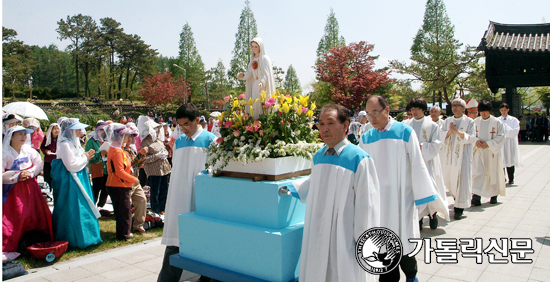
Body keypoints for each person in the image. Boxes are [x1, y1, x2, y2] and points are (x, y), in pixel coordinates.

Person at [287, 104, 380, 282]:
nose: (324, 129)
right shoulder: (318, 156)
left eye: (330, 123)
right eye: (321, 124)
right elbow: (313, 185)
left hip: (344, 237)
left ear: (345, 125)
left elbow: (367, 206)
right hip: (319, 232)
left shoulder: (359, 159)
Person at [359, 95, 439, 282]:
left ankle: (411, 276)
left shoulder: (405, 132)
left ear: (387, 110)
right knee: (383, 245)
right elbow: (362, 168)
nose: (372, 118)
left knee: (404, 240)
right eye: (369, 114)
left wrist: (420, 196)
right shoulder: (366, 137)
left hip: (401, 198)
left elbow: (418, 164)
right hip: (378, 200)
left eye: (375, 113)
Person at [159, 103, 217, 282]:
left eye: (186, 124)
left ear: (197, 120)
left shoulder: (211, 140)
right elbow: (176, 169)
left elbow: (214, 169)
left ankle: (205, 278)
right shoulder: (179, 143)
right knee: (175, 241)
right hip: (179, 197)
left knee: (204, 241)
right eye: (180, 125)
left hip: (200, 196)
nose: (183, 129)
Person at [51, 118, 102, 249]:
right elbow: (71, 165)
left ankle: (89, 236)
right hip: (70, 181)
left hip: (79, 177)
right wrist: (85, 158)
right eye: (78, 128)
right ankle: (74, 238)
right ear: (71, 130)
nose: (81, 131)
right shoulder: (64, 144)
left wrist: (85, 157)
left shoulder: (74, 142)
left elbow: (78, 159)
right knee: (73, 207)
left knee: (83, 205)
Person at [3, 126, 52, 253]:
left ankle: (34, 240)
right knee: (17, 215)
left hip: (31, 187)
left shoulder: (29, 151)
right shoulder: (5, 154)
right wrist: (17, 176)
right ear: (11, 137)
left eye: (25, 134)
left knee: (33, 212)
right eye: (19, 134)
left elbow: (38, 165)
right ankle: (16, 243)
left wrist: (30, 173)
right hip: (13, 191)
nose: (23, 137)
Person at [403, 98, 450, 230]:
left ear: (424, 110)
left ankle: (432, 214)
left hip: (427, 163)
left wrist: (421, 147)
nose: (414, 112)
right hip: (411, 163)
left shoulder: (432, 125)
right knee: (414, 189)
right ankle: (418, 218)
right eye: (412, 109)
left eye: (417, 109)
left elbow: (436, 144)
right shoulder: (406, 124)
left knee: (429, 187)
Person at [440, 98, 476, 220]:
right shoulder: (447, 121)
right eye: (453, 105)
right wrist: (450, 132)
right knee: (450, 179)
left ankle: (459, 209)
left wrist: (458, 132)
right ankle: (456, 200)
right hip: (450, 156)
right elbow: (441, 136)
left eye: (457, 105)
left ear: (463, 108)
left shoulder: (469, 122)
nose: (454, 107)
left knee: (462, 181)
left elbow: (472, 138)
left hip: (463, 157)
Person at [105, 123, 140, 240]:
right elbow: (119, 172)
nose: (128, 138)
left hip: (117, 184)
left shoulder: (116, 148)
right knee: (124, 211)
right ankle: (124, 234)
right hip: (118, 185)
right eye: (125, 136)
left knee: (123, 211)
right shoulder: (117, 151)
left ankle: (124, 232)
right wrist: (133, 179)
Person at [471, 100, 506, 206]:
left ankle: (494, 195)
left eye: (486, 111)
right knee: (478, 173)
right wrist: (475, 141)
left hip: (492, 152)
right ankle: (476, 196)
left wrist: (489, 144)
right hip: (479, 152)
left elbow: (501, 136)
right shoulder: (475, 122)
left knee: (492, 173)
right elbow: (471, 135)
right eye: (481, 111)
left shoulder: (497, 122)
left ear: (490, 111)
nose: (484, 113)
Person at [138, 116, 171, 215]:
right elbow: (143, 159)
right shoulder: (145, 143)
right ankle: (155, 210)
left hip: (164, 169)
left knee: (164, 190)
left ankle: (162, 209)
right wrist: (157, 156)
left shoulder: (158, 141)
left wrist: (165, 153)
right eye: (155, 130)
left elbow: (164, 150)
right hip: (153, 171)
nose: (157, 132)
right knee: (155, 192)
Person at [237, 37, 276, 119]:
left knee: (262, 106)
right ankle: (255, 124)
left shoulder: (265, 59)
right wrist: (243, 75)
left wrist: (262, 82)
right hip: (255, 86)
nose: (254, 49)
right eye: (252, 46)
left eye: (256, 46)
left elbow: (266, 74)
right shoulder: (253, 60)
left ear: (260, 47)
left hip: (263, 87)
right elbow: (250, 73)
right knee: (254, 106)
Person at [123, 123, 148, 234]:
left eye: (132, 136)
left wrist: (142, 157)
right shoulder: (122, 151)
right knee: (126, 205)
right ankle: (126, 227)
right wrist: (139, 156)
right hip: (127, 181)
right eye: (129, 137)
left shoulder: (131, 150)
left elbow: (137, 165)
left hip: (135, 180)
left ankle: (138, 224)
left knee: (142, 200)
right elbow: (129, 166)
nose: (131, 139)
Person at [85, 120, 110, 207]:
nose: (103, 132)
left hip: (106, 168)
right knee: (96, 187)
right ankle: (92, 205)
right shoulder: (92, 141)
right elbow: (88, 155)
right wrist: (99, 154)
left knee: (106, 188)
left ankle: (101, 206)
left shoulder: (107, 140)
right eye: (101, 130)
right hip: (97, 167)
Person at [498, 103, 521, 185]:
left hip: (510, 143)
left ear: (508, 110)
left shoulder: (514, 120)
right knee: (501, 161)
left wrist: (504, 129)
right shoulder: (497, 120)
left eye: (505, 110)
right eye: (502, 110)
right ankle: (502, 177)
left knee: (510, 160)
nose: (503, 112)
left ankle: (511, 178)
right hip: (501, 143)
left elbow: (514, 132)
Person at [40, 123, 60, 192]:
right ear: (51, 130)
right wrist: (46, 151)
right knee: (48, 177)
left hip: (57, 160)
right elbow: (42, 147)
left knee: (56, 177)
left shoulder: (61, 138)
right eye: (55, 129)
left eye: (58, 129)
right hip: (48, 160)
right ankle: (48, 192)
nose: (56, 130)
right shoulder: (47, 137)